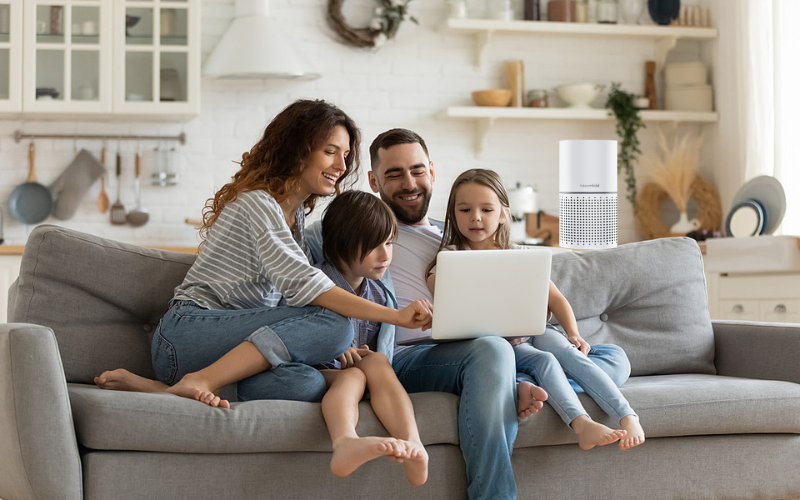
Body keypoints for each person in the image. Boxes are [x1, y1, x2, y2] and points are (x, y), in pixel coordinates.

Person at [348, 128, 633, 500]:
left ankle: (506, 384)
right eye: (394, 174)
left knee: (613, 358)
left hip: (482, 347)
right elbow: (328, 280)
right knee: (495, 350)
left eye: (417, 170)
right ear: (373, 180)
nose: (409, 183)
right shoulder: (369, 233)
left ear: (432, 172)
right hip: (413, 355)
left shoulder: (454, 237)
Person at [95, 100, 432, 414]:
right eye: (330, 152)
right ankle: (200, 380)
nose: (341, 166)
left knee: (308, 382)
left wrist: (326, 345)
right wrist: (395, 316)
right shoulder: (258, 204)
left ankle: (165, 390)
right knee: (336, 325)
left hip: (232, 348)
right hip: (187, 336)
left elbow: (294, 305)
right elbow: (308, 288)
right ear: (298, 151)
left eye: (345, 155)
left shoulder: (295, 218)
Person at [425, 168, 645, 452]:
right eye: (465, 209)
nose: (475, 217)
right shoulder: (452, 258)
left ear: (503, 213)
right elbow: (441, 293)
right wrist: (440, 277)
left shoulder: (519, 255)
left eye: (486, 209)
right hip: (499, 346)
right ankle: (581, 423)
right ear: (453, 214)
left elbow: (557, 300)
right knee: (546, 362)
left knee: (570, 353)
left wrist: (573, 333)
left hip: (535, 331)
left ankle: (628, 416)